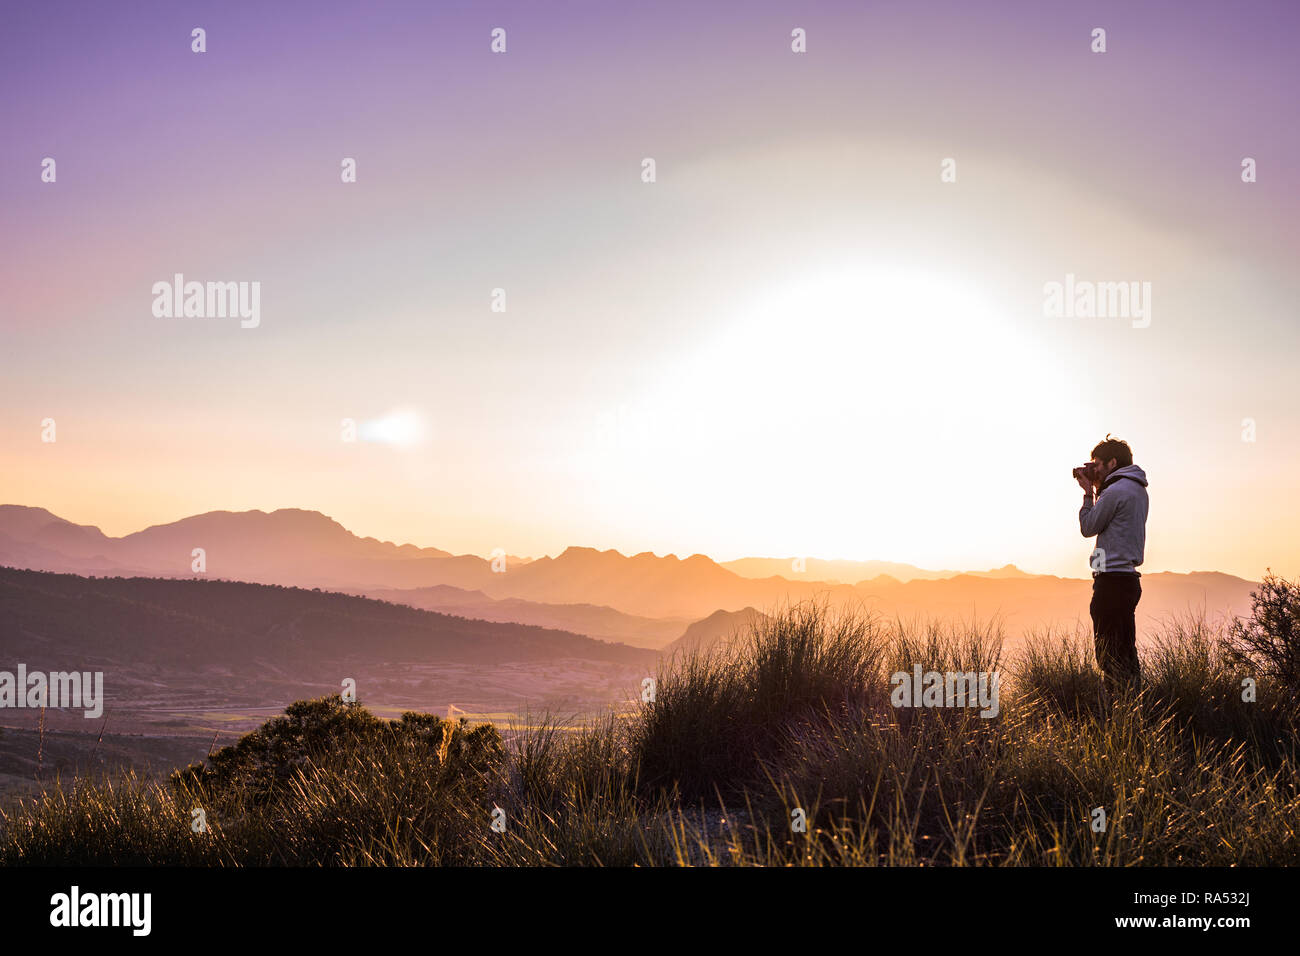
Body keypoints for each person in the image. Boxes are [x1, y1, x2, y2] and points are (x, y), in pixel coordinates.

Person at [1075, 435, 1149, 689]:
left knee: (1108, 654)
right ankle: (1135, 705)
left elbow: (1089, 526)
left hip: (1111, 581)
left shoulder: (1115, 491)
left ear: (1112, 462)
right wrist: (1100, 489)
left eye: (1098, 464)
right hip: (1128, 579)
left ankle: (1118, 709)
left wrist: (1088, 494)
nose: (1094, 469)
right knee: (1126, 650)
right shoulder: (1137, 489)